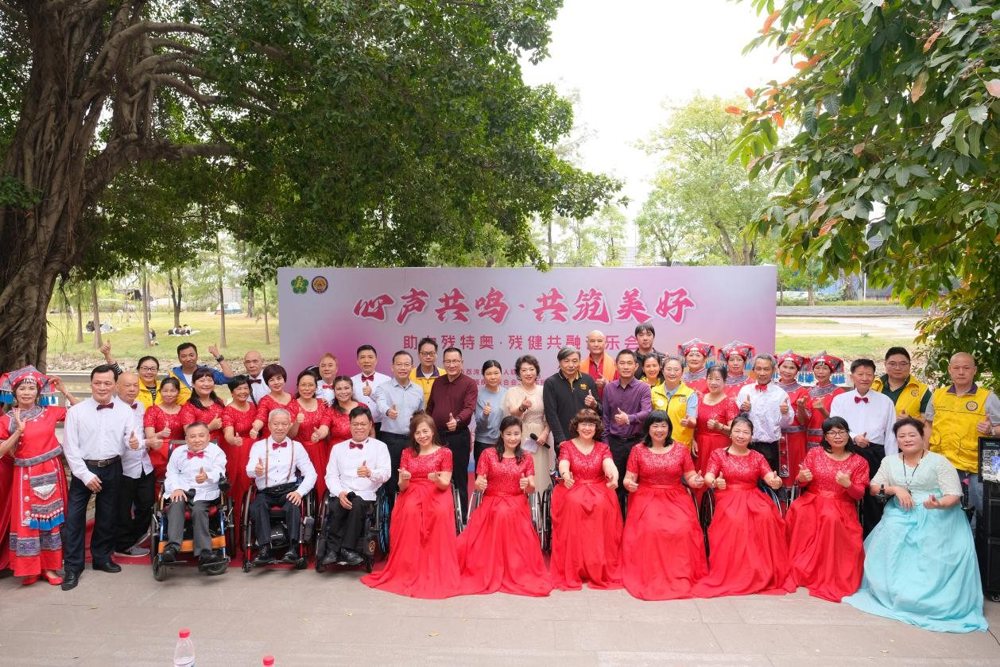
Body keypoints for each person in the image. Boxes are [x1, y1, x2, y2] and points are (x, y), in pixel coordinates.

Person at [844, 418, 988, 633]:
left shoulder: (939, 462)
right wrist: (896, 489)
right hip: (900, 511)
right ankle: (893, 591)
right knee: (891, 531)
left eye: (912, 435)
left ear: (923, 437)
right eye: (901, 436)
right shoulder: (889, 461)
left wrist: (938, 504)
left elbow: (954, 495)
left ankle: (926, 597)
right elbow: (874, 487)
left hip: (938, 513)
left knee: (930, 542)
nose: (907, 439)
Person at [361, 413, 461, 598]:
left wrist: (436, 479)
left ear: (433, 431)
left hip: (437, 491)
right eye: (417, 432)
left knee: (439, 512)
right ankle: (409, 566)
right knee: (410, 511)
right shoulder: (407, 453)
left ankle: (435, 565)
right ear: (413, 435)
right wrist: (405, 478)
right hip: (412, 490)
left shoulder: (445, 453)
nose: (422, 436)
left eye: (425, 431)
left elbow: (445, 484)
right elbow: (402, 486)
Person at [693, 415, 794, 598]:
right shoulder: (718, 454)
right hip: (727, 494)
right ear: (730, 433)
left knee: (766, 516)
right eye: (737, 431)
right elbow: (709, 475)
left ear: (751, 436)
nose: (741, 435)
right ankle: (737, 570)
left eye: (745, 432)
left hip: (753, 495)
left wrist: (776, 481)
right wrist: (714, 482)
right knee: (736, 519)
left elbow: (769, 477)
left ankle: (760, 568)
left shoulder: (757, 457)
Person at [61, 365, 139, 591]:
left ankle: (102, 557)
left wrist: (133, 443)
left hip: (113, 466)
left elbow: (129, 440)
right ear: (91, 384)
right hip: (84, 468)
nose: (102, 387)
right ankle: (73, 566)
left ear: (114, 385)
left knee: (108, 515)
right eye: (98, 383)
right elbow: (70, 448)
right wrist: (85, 475)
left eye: (107, 383)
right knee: (74, 518)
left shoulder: (125, 411)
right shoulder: (76, 412)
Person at [458, 416, 551, 596]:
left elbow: (531, 488)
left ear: (521, 434)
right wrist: (479, 484)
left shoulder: (526, 457)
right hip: (492, 500)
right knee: (499, 513)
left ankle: (511, 567)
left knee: (506, 513)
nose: (512, 438)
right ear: (501, 434)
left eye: (516, 434)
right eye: (508, 434)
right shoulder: (488, 454)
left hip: (516, 501)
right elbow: (478, 482)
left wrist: (527, 484)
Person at [0, 367, 76, 585]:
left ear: (38, 392)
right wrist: (18, 431)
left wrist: (64, 390)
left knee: (51, 520)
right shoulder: (6, 420)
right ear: (14, 393)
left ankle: (50, 568)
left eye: (31, 388)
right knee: (28, 521)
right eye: (22, 389)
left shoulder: (49, 412)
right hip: (24, 476)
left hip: (51, 471)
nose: (27, 392)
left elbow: (80, 413)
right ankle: (30, 568)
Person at [621, 411, 707, 600]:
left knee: (683, 527)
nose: (659, 430)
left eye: (663, 426)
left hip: (676, 496)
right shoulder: (638, 450)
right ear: (648, 428)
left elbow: (690, 476)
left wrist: (697, 481)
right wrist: (629, 484)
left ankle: (681, 572)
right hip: (646, 495)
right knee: (652, 528)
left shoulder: (680, 449)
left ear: (669, 428)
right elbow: (629, 478)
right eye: (655, 426)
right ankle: (651, 573)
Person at [786, 416, 869, 602]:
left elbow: (859, 495)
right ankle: (802, 566)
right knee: (798, 510)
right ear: (825, 437)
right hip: (812, 500)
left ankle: (827, 570)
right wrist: (802, 478)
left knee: (831, 518)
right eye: (832, 433)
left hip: (841, 504)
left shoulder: (859, 462)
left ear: (848, 434)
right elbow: (801, 482)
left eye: (841, 432)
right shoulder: (815, 454)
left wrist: (848, 485)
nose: (837, 436)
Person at [925, 352, 1000, 532]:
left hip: (979, 465)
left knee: (983, 509)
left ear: (974, 370)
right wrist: (924, 455)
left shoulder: (988, 397)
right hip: (943, 462)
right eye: (956, 368)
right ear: (949, 370)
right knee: (943, 507)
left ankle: (978, 545)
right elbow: (928, 425)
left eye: (966, 368)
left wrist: (991, 430)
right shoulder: (938, 395)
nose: (961, 372)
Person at [550, 409, 622, 590]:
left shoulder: (602, 447)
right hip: (574, 485)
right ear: (577, 426)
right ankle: (575, 564)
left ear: (596, 428)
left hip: (598, 486)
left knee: (602, 504)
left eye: (591, 424)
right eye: (584, 424)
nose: (587, 428)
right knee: (573, 503)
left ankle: (597, 563)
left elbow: (609, 464)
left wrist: (614, 477)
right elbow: (564, 463)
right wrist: (565, 475)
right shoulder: (567, 446)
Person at [830, 359, 897, 536]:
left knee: (874, 497)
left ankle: (873, 538)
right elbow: (834, 426)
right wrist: (854, 437)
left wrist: (891, 463)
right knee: (845, 493)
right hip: (847, 451)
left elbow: (891, 435)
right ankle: (844, 536)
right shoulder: (840, 400)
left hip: (876, 453)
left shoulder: (885, 401)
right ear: (852, 376)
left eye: (869, 374)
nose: (865, 378)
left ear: (874, 377)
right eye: (860, 374)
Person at [320, 407, 390, 567]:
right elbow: (330, 476)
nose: (359, 427)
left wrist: (370, 473)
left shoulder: (380, 447)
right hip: (342, 492)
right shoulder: (338, 448)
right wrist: (340, 493)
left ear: (370, 425)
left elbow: (386, 474)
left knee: (357, 504)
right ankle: (332, 551)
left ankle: (345, 549)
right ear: (350, 425)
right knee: (337, 505)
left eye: (363, 424)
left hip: (366, 494)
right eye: (355, 424)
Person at [245, 409, 317, 565]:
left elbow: (311, 473)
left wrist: (299, 492)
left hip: (288, 490)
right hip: (266, 491)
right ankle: (265, 548)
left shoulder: (297, 447)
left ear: (290, 425)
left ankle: (293, 548)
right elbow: (249, 469)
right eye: (276, 424)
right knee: (257, 506)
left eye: (284, 424)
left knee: (293, 505)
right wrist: (256, 471)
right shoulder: (258, 446)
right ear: (269, 425)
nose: (280, 427)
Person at [159, 422, 228, 570]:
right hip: (182, 489)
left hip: (205, 492)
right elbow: (171, 473)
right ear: (186, 439)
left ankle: (204, 552)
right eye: (193, 436)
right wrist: (176, 488)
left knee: (198, 509)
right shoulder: (178, 452)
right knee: (176, 504)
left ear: (208, 437)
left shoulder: (216, 452)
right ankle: (172, 548)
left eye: (201, 436)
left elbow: (220, 471)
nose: (197, 440)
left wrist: (207, 476)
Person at [426, 347, 477, 518]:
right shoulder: (438, 382)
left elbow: (469, 407)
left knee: (459, 478)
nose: (451, 365)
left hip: (458, 437)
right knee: (437, 477)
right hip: (437, 438)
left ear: (462, 363)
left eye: (455, 361)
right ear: (443, 363)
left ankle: (461, 519)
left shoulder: (469, 383)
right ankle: (439, 516)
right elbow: (430, 407)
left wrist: (458, 420)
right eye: (448, 361)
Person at [601, 349, 652, 516]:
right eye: (622, 363)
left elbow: (647, 412)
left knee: (635, 485)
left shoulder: (643, 388)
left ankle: (635, 520)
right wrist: (606, 445)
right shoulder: (609, 388)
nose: (626, 366)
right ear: (616, 366)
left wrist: (629, 418)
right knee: (614, 484)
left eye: (630, 363)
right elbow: (605, 418)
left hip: (636, 443)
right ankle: (616, 521)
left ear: (636, 366)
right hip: (614, 443)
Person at [113, 372, 155, 559]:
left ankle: (135, 538)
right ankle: (123, 544)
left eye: (135, 385)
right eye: (127, 385)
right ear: (117, 387)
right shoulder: (112, 409)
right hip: (123, 466)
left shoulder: (140, 406)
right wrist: (147, 442)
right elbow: (119, 441)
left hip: (144, 463)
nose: (132, 389)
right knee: (122, 508)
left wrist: (150, 439)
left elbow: (142, 433)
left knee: (146, 504)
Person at [373, 351, 425, 497]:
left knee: (412, 476)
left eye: (406, 364)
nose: (403, 368)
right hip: (391, 439)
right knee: (392, 478)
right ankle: (392, 508)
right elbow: (380, 403)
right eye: (399, 364)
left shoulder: (418, 390)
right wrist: (388, 411)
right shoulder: (383, 388)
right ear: (392, 367)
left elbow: (421, 414)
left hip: (412, 440)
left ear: (412, 367)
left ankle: (410, 506)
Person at [736, 354, 793, 475]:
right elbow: (736, 421)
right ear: (753, 370)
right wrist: (743, 411)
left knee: (769, 481)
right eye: (759, 369)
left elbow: (785, 425)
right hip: (746, 445)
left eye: (766, 369)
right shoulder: (745, 391)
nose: (762, 373)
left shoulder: (780, 394)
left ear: (773, 370)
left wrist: (785, 413)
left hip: (770, 447)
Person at [503, 355, 552, 492]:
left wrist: (545, 433)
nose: (528, 373)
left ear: (537, 371)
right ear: (518, 373)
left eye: (531, 369)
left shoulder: (544, 390)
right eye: (524, 370)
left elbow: (550, 415)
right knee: (521, 470)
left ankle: (540, 502)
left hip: (540, 437)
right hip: (519, 435)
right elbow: (511, 416)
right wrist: (522, 407)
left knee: (540, 470)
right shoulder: (512, 391)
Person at [543, 346, 601, 458]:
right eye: (566, 361)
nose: (571, 365)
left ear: (579, 362)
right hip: (564, 439)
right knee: (565, 468)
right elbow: (551, 414)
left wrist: (595, 404)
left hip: (587, 438)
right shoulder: (551, 383)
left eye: (575, 361)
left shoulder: (588, 380)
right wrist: (560, 439)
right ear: (560, 362)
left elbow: (600, 409)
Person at [221, 375, 256, 543]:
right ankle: (238, 530)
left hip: (254, 450)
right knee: (241, 487)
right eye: (239, 389)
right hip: (238, 451)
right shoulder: (228, 410)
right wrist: (233, 440)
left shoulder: (253, 406)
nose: (243, 391)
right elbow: (228, 433)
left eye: (245, 388)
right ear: (232, 392)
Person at [293, 369, 332, 499]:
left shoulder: (323, 404)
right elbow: (290, 435)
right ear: (298, 386)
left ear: (316, 387)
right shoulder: (292, 405)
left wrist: (319, 434)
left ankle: (321, 508)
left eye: (310, 385)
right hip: (300, 451)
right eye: (303, 385)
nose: (307, 388)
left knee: (322, 484)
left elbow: (326, 426)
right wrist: (296, 423)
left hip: (320, 450)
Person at [694, 366, 740, 475]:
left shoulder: (729, 403)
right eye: (710, 378)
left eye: (717, 379)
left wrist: (720, 427)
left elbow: (736, 431)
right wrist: (692, 440)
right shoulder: (699, 399)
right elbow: (692, 422)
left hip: (720, 446)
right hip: (700, 446)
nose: (713, 382)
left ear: (725, 381)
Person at [775, 351, 810, 485]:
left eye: (792, 368)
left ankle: (794, 496)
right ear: (778, 367)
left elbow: (803, 421)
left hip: (795, 439)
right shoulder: (771, 389)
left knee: (796, 471)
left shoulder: (802, 391)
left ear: (797, 371)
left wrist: (800, 407)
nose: (787, 371)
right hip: (775, 437)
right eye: (784, 366)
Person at [652, 356, 698, 455]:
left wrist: (690, 422)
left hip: (680, 446)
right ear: (662, 371)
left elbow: (693, 420)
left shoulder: (690, 394)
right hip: (657, 445)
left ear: (682, 372)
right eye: (669, 369)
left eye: (676, 370)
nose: (672, 373)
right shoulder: (654, 391)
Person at [800, 352, 845, 450]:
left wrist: (822, 410)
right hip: (809, 438)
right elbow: (804, 420)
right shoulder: (808, 392)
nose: (820, 372)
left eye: (825, 368)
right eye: (817, 368)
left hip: (831, 439)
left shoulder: (839, 393)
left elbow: (839, 422)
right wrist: (801, 408)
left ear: (831, 371)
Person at [871, 347, 931, 420]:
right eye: (892, 364)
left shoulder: (922, 391)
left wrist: (911, 421)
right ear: (885, 364)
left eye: (903, 364)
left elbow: (929, 423)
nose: (898, 368)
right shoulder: (872, 386)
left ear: (909, 365)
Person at [142, 377, 185, 479]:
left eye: (172, 391)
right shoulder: (152, 410)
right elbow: (149, 437)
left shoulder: (184, 410)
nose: (169, 394)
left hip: (181, 453)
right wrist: (160, 434)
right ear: (160, 392)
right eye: (165, 391)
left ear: (178, 392)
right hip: (159, 453)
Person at [168, 342, 234, 405]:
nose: (188, 359)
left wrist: (218, 356)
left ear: (197, 356)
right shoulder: (173, 375)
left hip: (205, 410)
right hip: (182, 411)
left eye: (191, 355)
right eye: (183, 356)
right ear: (179, 358)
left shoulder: (206, 372)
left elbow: (229, 378)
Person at [100, 341, 162, 407]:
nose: (149, 372)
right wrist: (107, 354)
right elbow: (118, 371)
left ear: (157, 370)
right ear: (138, 370)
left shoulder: (163, 386)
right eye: (145, 368)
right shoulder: (132, 385)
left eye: (153, 369)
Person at [249, 364, 299, 440]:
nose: (276, 382)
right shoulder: (265, 401)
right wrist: (255, 428)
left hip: (290, 439)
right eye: (271, 380)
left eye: (279, 378)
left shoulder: (293, 398)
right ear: (267, 383)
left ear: (284, 379)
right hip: (271, 440)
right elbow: (261, 417)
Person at [179, 367, 227, 445]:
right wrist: (209, 427)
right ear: (193, 384)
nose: (206, 384)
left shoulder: (219, 401)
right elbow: (189, 432)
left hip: (223, 444)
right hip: (203, 447)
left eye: (209, 380)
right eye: (202, 381)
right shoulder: (189, 407)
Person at [473, 360, 507, 465]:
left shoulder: (507, 393)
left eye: (496, 373)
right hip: (483, 443)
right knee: (482, 474)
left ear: (501, 374)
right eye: (488, 374)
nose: (493, 377)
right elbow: (480, 424)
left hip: (504, 442)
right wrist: (485, 415)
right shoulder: (478, 395)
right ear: (483, 375)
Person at [351, 345, 389, 433]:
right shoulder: (351, 381)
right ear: (357, 361)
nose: (366, 360)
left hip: (382, 425)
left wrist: (372, 394)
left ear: (376, 360)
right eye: (362, 357)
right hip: (359, 426)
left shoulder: (386, 380)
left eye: (370, 357)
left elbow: (389, 404)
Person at [584, 330, 617, 399]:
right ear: (587, 344)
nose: (596, 344)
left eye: (599, 341)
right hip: (586, 404)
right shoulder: (580, 365)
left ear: (605, 343)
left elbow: (622, 391)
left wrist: (607, 384)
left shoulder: (615, 364)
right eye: (592, 341)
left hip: (610, 404)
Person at [327, 376, 360, 445]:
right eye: (339, 389)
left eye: (346, 388)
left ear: (352, 389)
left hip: (361, 450)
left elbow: (371, 432)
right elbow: (324, 427)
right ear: (334, 391)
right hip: (337, 450)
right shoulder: (330, 411)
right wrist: (319, 434)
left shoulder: (363, 407)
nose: (343, 392)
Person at [410, 337, 443, 405]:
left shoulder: (444, 374)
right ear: (419, 355)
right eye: (425, 353)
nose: (428, 357)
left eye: (431, 353)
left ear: (436, 355)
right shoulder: (410, 374)